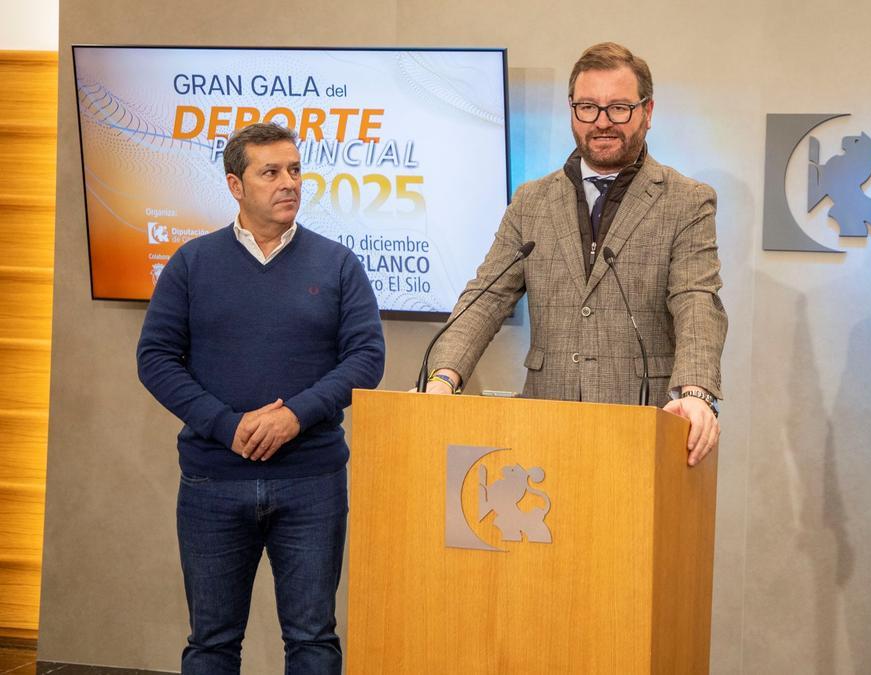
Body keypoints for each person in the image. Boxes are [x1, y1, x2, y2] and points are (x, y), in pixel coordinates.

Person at [136, 122, 385, 673]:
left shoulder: (338, 264)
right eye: (270, 171)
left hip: (313, 482)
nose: (288, 182)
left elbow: (366, 359)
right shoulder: (192, 263)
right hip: (212, 482)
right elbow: (154, 359)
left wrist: (295, 417)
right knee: (212, 643)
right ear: (235, 185)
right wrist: (227, 425)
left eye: (295, 169)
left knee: (314, 639)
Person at [424, 42, 727, 466]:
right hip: (544, 430)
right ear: (571, 110)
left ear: (648, 111)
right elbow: (485, 299)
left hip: (645, 430)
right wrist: (443, 378)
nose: (602, 122)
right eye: (588, 107)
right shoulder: (532, 200)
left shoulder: (686, 201)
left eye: (619, 107)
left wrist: (695, 393)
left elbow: (696, 300)